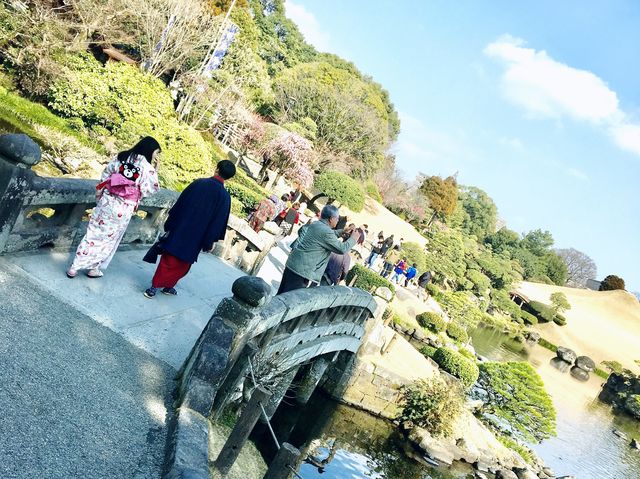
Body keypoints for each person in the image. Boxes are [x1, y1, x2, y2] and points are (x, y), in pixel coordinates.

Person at [66, 137, 161, 279]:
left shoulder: (122, 156)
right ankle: (94, 268)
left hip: (107, 201)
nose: (156, 156)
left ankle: (75, 266)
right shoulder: (147, 168)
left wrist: (100, 193)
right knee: (109, 238)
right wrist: (155, 169)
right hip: (124, 208)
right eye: (156, 152)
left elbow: (106, 174)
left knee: (93, 233)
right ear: (150, 150)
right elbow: (150, 189)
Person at [143, 160, 236, 298]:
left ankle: (158, 287)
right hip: (198, 237)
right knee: (183, 264)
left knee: (169, 259)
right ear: (228, 178)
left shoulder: (199, 183)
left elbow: (180, 203)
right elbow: (218, 222)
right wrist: (209, 241)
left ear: (216, 169)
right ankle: (162, 286)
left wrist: (170, 223)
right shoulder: (225, 197)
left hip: (181, 228)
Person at [277, 204, 361, 295]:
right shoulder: (326, 232)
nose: (337, 221)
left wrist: (342, 231)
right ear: (331, 218)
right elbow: (342, 249)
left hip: (293, 264)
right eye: (337, 218)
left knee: (281, 294)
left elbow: (328, 234)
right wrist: (353, 239)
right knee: (288, 299)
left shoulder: (316, 224)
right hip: (302, 271)